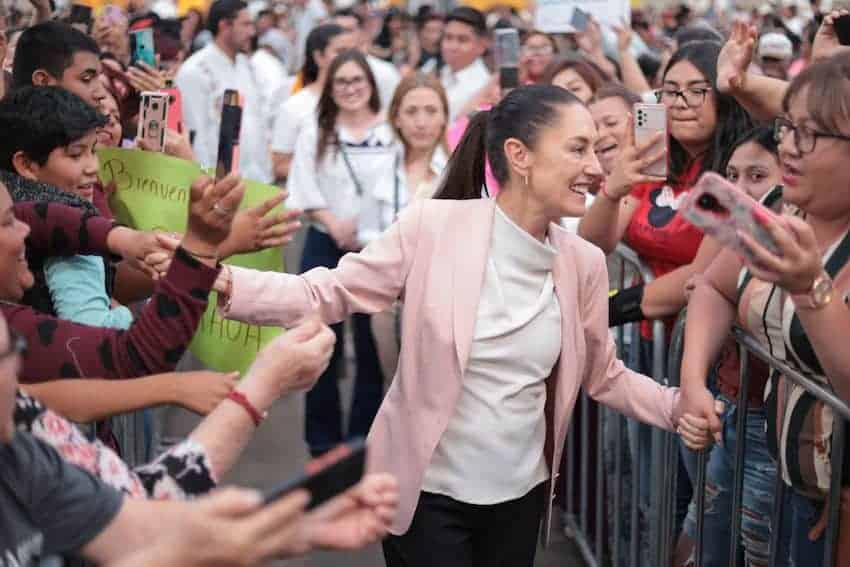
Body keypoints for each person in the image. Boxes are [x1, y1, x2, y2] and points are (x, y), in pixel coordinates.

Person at [204, 84, 690, 566]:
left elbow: (604, 375)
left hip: (519, 499)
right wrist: (218, 279)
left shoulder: (583, 262)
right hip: (425, 494)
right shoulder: (432, 227)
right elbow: (328, 290)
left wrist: (680, 408)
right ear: (519, 156)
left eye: (594, 150)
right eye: (578, 148)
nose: (595, 167)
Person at [0, 317, 399, 566]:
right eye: (7, 354)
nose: (20, 377)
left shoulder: (19, 458)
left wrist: (297, 526)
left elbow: (140, 512)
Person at [678, 38, 850, 567]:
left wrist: (811, 290)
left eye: (808, 133)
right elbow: (712, 285)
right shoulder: (779, 204)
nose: (788, 148)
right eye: (786, 128)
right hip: (772, 470)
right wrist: (691, 382)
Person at [675, 126, 782, 567]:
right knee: (701, 536)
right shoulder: (749, 231)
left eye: (756, 176)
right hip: (728, 409)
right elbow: (710, 290)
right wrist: (691, 383)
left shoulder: (795, 223)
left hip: (781, 436)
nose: (738, 191)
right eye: (732, 175)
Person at [286, 49, 393, 458]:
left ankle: (361, 442)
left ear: (370, 85)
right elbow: (302, 185)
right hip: (324, 241)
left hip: (378, 249)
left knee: (371, 349)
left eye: (357, 81)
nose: (350, 89)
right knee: (319, 343)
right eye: (341, 82)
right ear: (330, 88)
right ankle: (323, 444)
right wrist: (333, 223)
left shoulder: (390, 130)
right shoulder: (318, 129)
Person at [175, 0, 273, 183]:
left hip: (257, 178)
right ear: (224, 25)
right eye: (245, 24)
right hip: (218, 183)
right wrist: (206, 183)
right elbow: (196, 138)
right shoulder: (195, 70)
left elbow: (258, 123)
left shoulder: (247, 66)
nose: (252, 32)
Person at [270, 23, 355, 181]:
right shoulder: (295, 106)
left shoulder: (359, 102)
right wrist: (328, 173)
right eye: (340, 51)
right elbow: (279, 166)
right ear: (319, 57)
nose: (349, 59)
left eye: (352, 52)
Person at [333, 8, 401, 109]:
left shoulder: (385, 72)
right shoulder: (324, 71)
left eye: (348, 30)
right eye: (335, 31)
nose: (341, 36)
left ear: (362, 33)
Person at [439, 6, 490, 121]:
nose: (453, 46)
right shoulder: (442, 72)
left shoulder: (483, 86)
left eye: (462, 40)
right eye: (448, 37)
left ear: (482, 45)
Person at [411, 8, 443, 73]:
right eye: (431, 30)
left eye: (440, 30)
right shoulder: (413, 53)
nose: (436, 35)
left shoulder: (445, 54)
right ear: (420, 31)